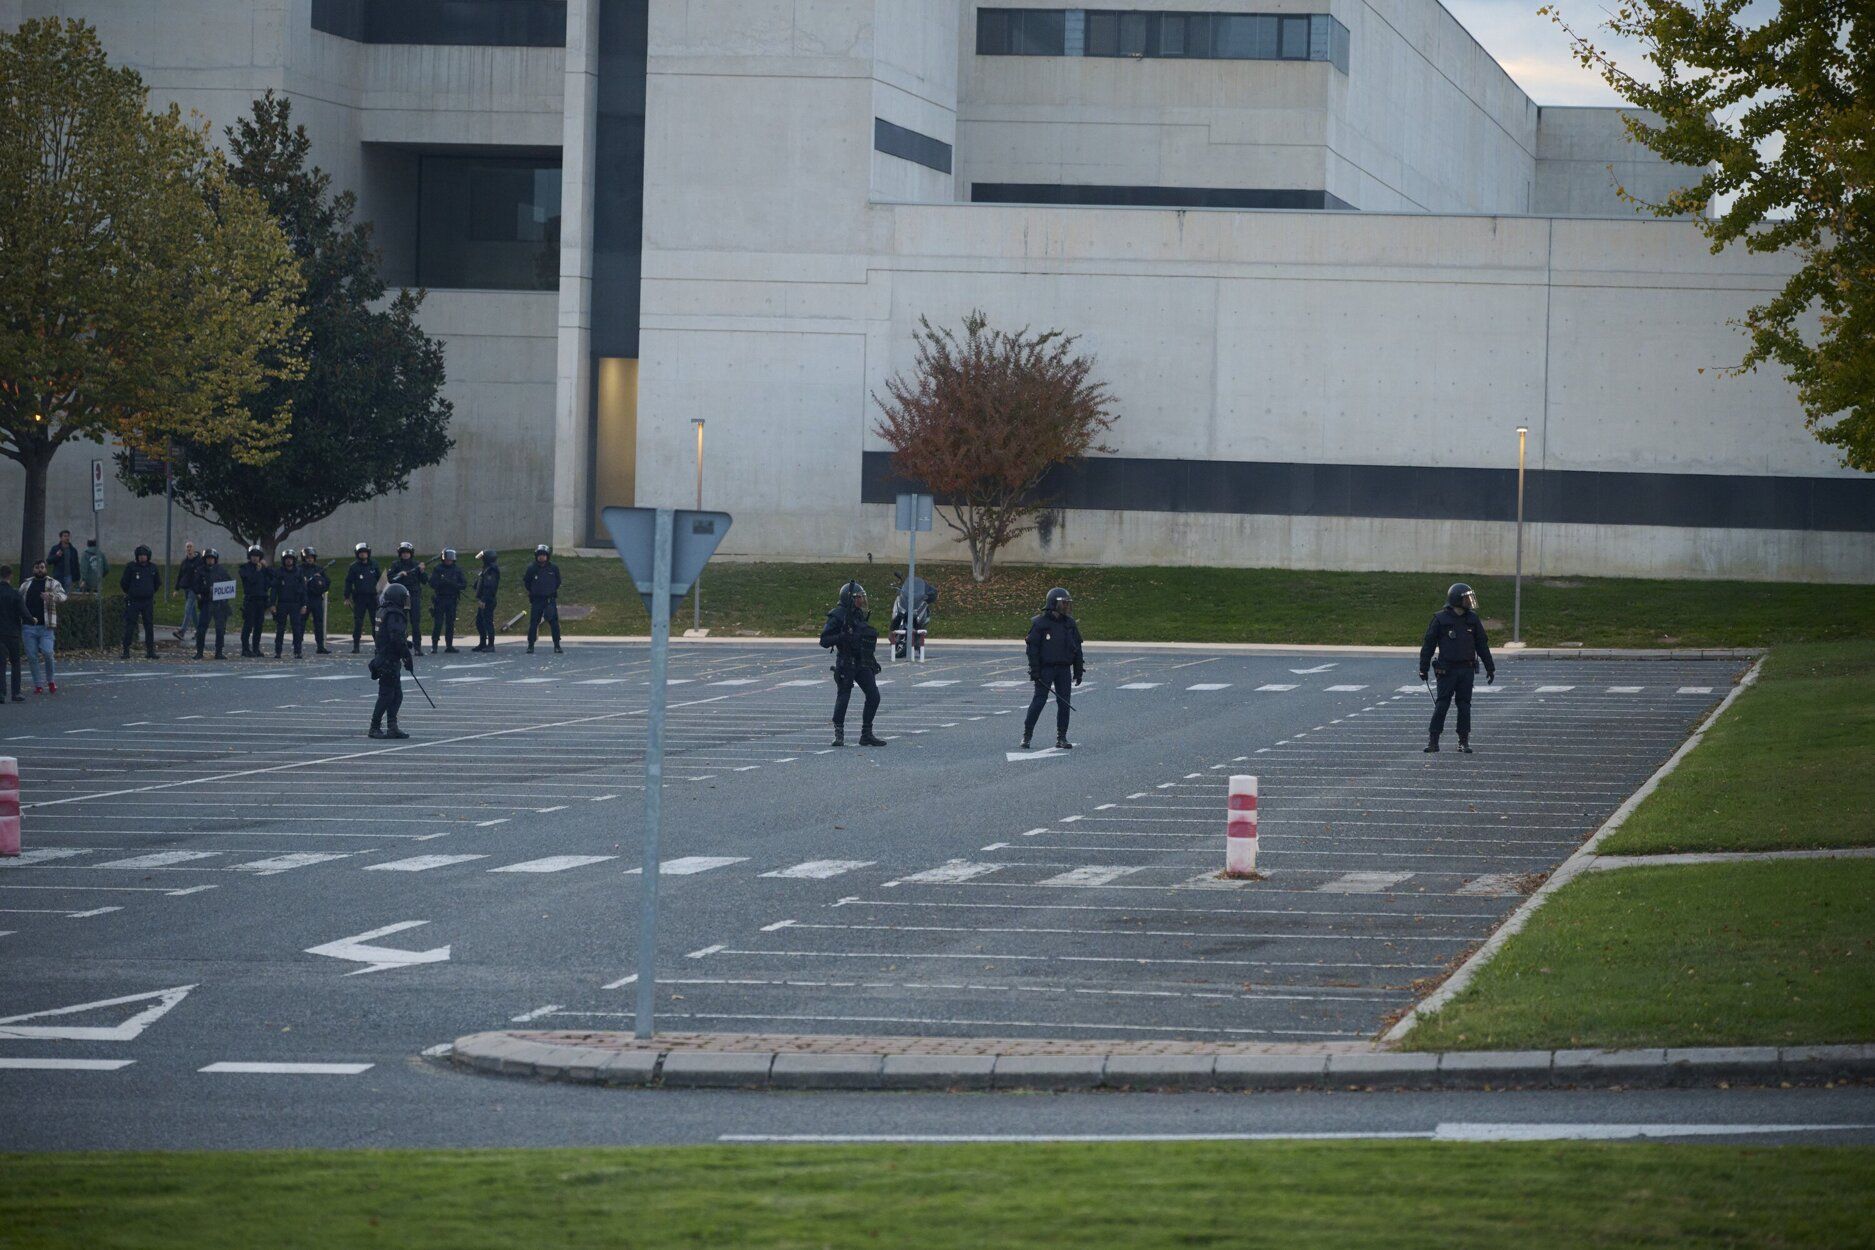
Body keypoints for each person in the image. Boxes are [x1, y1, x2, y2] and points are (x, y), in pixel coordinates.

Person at [1419, 581, 1496, 754]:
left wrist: (1490, 667)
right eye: (1466, 598)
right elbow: (1428, 645)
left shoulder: (1472, 619)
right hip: (1446, 669)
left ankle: (1463, 741)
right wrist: (1423, 668)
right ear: (1455, 599)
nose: (1469, 601)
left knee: (1464, 706)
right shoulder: (1440, 619)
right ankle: (1433, 741)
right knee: (1442, 705)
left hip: (1466, 669)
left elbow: (1482, 645)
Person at [819, 580, 886, 748]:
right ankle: (839, 733)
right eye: (858, 597)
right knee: (844, 696)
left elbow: (862, 639)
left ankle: (866, 734)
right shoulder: (837, 615)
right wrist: (841, 637)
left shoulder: (858, 614)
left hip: (862, 661)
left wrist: (872, 661)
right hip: (846, 662)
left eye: (861, 597)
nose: (861, 600)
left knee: (874, 695)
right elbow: (824, 640)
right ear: (849, 598)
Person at [1023, 587, 1085, 750]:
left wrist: (1078, 670)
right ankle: (1027, 735)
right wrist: (1035, 671)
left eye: (1067, 603)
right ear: (1053, 604)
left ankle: (1061, 737)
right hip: (1046, 669)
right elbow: (1032, 649)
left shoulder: (1069, 623)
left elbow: (1077, 648)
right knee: (1039, 701)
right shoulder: (1040, 623)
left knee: (1064, 703)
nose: (1066, 606)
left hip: (1063, 669)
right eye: (1063, 603)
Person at [368, 582, 414, 739]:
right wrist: (406, 655)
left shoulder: (382, 611)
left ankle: (392, 727)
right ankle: (374, 726)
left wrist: (404, 643)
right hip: (389, 658)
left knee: (396, 695)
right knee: (387, 695)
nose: (406, 601)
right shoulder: (395, 614)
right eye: (404, 598)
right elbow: (396, 637)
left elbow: (384, 634)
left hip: (384, 655)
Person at [21, 558, 65, 694]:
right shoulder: (26, 584)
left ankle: (50, 680)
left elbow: (63, 596)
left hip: (46, 626)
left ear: (45, 569)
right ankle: (38, 684)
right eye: (37, 567)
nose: (39, 570)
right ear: (33, 569)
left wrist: (52, 596)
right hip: (28, 627)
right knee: (32, 656)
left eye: (42, 567)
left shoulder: (52, 583)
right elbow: (18, 600)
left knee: (47, 653)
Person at [118, 544, 161, 660]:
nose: (142, 557)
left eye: (144, 555)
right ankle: (126, 650)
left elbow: (157, 583)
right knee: (130, 625)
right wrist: (132, 592)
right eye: (140, 555)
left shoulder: (153, 568)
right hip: (134, 601)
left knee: (149, 626)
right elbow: (124, 583)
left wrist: (149, 592)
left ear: (148, 556)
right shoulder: (131, 567)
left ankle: (150, 651)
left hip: (147, 601)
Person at [386, 541, 428, 657]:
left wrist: (422, 571)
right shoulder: (395, 565)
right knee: (400, 622)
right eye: (403, 552)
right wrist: (399, 574)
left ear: (411, 553)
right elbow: (389, 579)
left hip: (414, 596)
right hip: (400, 597)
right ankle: (401, 646)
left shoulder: (416, 565)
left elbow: (425, 580)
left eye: (407, 552)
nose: (405, 554)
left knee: (415, 622)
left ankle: (417, 647)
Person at [193, 548, 234, 660]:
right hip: (206, 603)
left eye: (212, 558)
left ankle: (219, 652)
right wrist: (204, 591)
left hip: (219, 604)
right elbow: (195, 586)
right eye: (208, 558)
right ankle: (199, 652)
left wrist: (225, 597)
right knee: (201, 629)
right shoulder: (200, 571)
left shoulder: (221, 570)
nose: (210, 560)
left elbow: (229, 584)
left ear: (215, 559)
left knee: (220, 629)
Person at [522, 544, 562, 654]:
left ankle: (557, 645)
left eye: (544, 555)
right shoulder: (532, 568)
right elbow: (527, 583)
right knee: (534, 622)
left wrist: (551, 590)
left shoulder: (553, 568)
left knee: (554, 623)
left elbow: (558, 582)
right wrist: (534, 591)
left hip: (550, 599)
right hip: (537, 600)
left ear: (547, 556)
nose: (541, 557)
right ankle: (530, 645)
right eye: (539, 555)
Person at [271, 547, 309, 658]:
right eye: (287, 559)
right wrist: (272, 604)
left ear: (294, 560)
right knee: (280, 628)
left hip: (296, 604)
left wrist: (304, 605)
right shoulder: (279, 572)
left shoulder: (299, 572)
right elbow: (274, 589)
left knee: (297, 629)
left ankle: (298, 651)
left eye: (291, 559)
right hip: (282, 603)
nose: (289, 561)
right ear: (284, 560)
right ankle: (278, 651)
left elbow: (303, 590)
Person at [343, 542, 380, 653]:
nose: (363, 554)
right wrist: (346, 597)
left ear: (368, 553)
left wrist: (382, 595)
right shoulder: (354, 567)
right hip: (360, 599)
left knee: (375, 623)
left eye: (365, 552)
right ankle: (356, 646)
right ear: (357, 554)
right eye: (361, 553)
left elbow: (381, 580)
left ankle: (378, 646)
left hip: (373, 598)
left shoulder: (374, 565)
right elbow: (348, 582)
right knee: (358, 622)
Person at [429, 548, 468, 653]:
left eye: (451, 559)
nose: (449, 561)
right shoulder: (438, 569)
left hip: (452, 599)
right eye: (447, 559)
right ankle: (434, 645)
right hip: (440, 599)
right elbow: (432, 583)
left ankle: (449, 646)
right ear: (443, 559)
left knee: (450, 623)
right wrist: (441, 583)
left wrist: (455, 585)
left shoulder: (457, 570)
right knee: (438, 623)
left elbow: (464, 584)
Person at [237, 545, 272, 658]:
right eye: (253, 555)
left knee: (259, 626)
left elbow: (273, 577)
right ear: (249, 556)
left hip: (261, 600)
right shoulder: (245, 568)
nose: (255, 558)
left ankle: (256, 648)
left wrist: (266, 567)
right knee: (248, 625)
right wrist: (257, 571)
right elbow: (249, 581)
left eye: (257, 556)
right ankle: (245, 649)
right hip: (250, 600)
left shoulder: (263, 568)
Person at [301, 547, 332, 654]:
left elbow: (327, 583)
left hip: (316, 599)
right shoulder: (299, 569)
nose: (310, 559)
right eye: (307, 557)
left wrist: (320, 580)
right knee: (301, 622)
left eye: (311, 557)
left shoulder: (319, 569)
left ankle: (320, 646)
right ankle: (298, 645)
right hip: (305, 599)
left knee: (319, 623)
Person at [0, 569, 22, 702]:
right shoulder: (15, 593)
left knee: (1, 663)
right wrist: (32, 619)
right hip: (12, 632)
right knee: (15, 662)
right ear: (11, 576)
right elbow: (22, 611)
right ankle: (16, 692)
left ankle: (1, 693)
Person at [472, 549, 500, 651]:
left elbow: (489, 587)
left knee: (487, 622)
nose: (482, 560)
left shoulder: (492, 570)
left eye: (483, 558)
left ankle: (491, 645)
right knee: (479, 622)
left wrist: (483, 600)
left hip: (488, 600)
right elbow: (482, 583)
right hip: (484, 599)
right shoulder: (486, 569)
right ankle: (483, 643)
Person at [175, 541, 203, 641]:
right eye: (187, 547)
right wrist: (176, 589)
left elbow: (202, 575)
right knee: (192, 611)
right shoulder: (184, 562)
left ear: (193, 548)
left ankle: (182, 631)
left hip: (194, 589)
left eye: (190, 546)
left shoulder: (199, 561)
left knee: (188, 608)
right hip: (186, 588)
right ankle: (200, 632)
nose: (189, 548)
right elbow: (180, 575)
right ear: (185, 549)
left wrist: (200, 590)